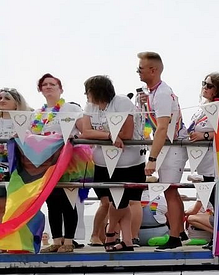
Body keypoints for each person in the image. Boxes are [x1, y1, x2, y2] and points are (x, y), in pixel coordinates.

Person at [78, 75, 145, 252]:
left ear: (97, 91)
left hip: (129, 163)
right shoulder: (90, 107)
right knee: (116, 202)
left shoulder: (121, 102)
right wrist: (109, 135)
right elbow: (85, 132)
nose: (85, 94)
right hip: (102, 162)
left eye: (88, 91)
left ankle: (111, 232)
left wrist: (101, 133)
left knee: (121, 202)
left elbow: (127, 133)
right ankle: (127, 241)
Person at [137, 51, 189, 251]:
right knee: (171, 191)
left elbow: (161, 127)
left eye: (140, 68)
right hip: (169, 145)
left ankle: (175, 236)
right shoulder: (154, 92)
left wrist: (152, 158)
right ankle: (179, 232)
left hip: (173, 146)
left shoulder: (162, 93)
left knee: (170, 191)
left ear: (153, 70)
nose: (138, 72)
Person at [31, 74, 85, 253]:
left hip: (68, 160)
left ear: (60, 89)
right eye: (44, 84)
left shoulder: (69, 107)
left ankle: (68, 240)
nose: (48, 87)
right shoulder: (37, 113)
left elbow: (84, 129)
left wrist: (73, 138)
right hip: (47, 162)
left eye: (52, 84)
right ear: (40, 89)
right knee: (52, 203)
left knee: (68, 201)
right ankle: (56, 240)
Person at [188, 73, 219, 211]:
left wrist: (204, 135)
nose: (205, 87)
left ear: (218, 89)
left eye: (209, 85)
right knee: (214, 204)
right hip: (203, 163)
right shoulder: (203, 106)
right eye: (204, 83)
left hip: (216, 166)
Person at [0, 87, 32, 216]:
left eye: (7, 98)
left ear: (16, 104)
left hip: (17, 167)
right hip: (1, 167)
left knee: (14, 206)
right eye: (0, 98)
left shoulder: (27, 121)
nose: (2, 101)